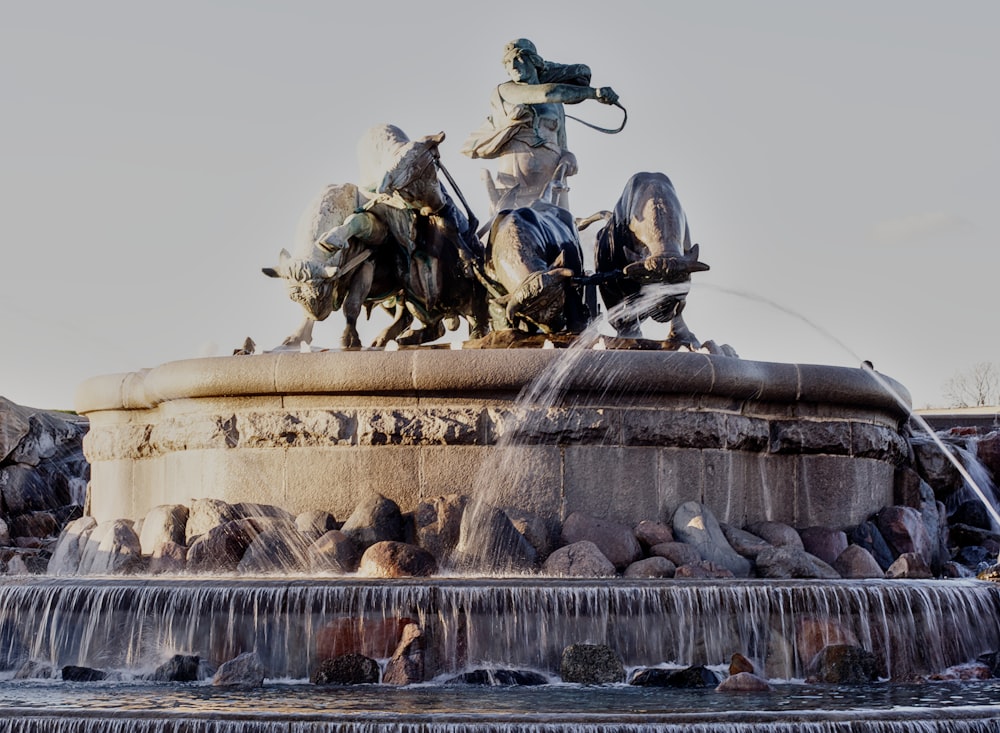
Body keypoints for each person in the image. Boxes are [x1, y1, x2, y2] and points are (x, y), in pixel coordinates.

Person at [462, 39, 619, 211]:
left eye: (518, 58)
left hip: (552, 187)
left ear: (534, 61)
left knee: (567, 233)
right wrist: (593, 93)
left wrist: (568, 157)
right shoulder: (505, 91)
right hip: (514, 188)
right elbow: (547, 92)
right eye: (507, 62)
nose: (513, 66)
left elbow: (562, 144)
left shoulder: (557, 106)